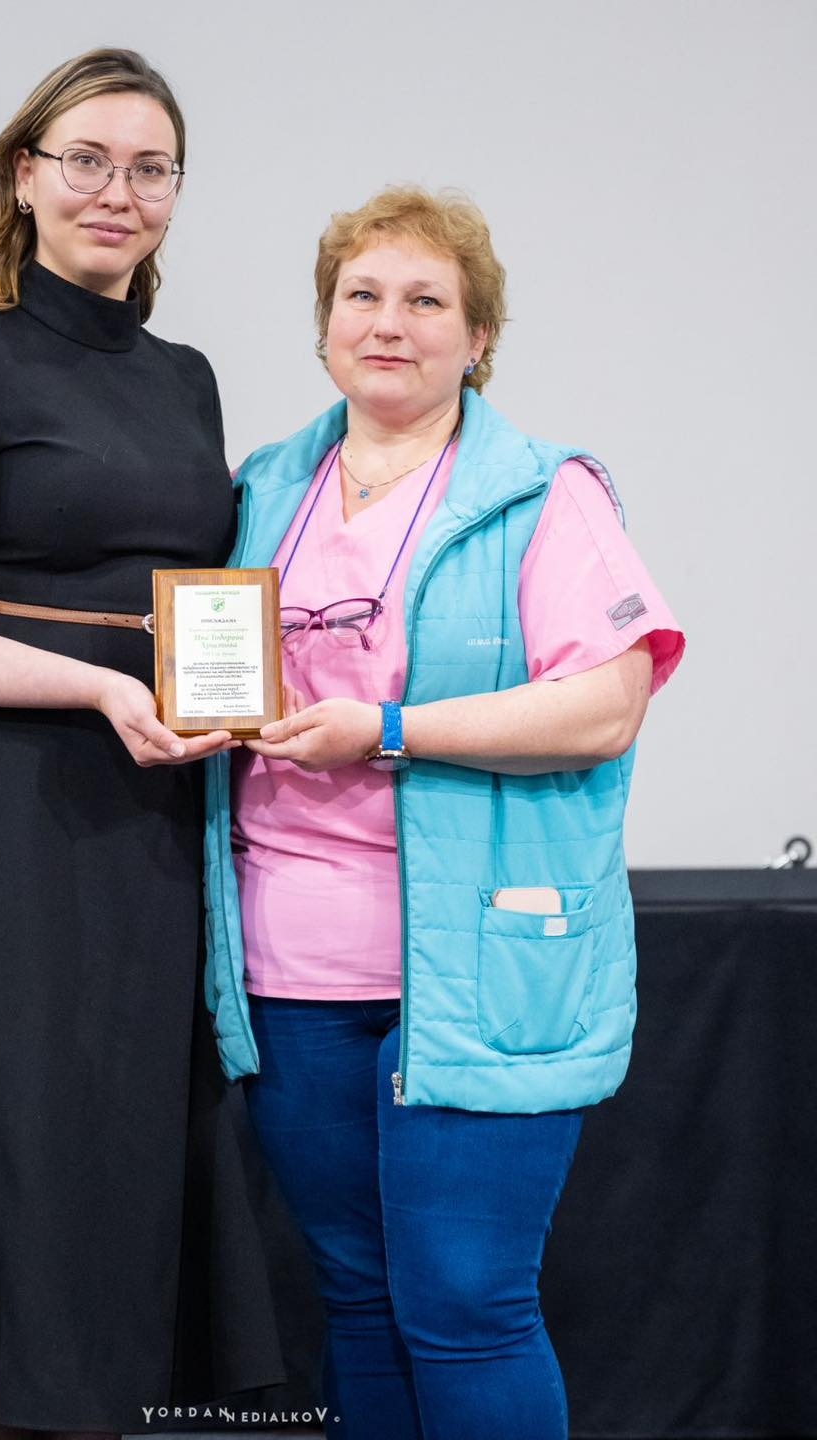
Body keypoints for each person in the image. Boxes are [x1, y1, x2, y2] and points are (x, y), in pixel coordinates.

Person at [0, 48, 286, 1440]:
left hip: (149, 820)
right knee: (2, 1175)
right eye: (86, 160)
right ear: (25, 174)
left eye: (150, 168)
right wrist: (92, 691)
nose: (116, 192)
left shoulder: (186, 379)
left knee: (101, 1184)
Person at [202, 187, 685, 1440]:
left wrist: (391, 729)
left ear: (478, 339)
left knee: (469, 1305)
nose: (389, 322)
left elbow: (606, 707)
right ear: (324, 326)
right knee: (358, 1302)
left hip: (482, 969)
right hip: (292, 971)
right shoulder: (262, 491)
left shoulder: (544, 494)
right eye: (361, 295)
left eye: (426, 301)